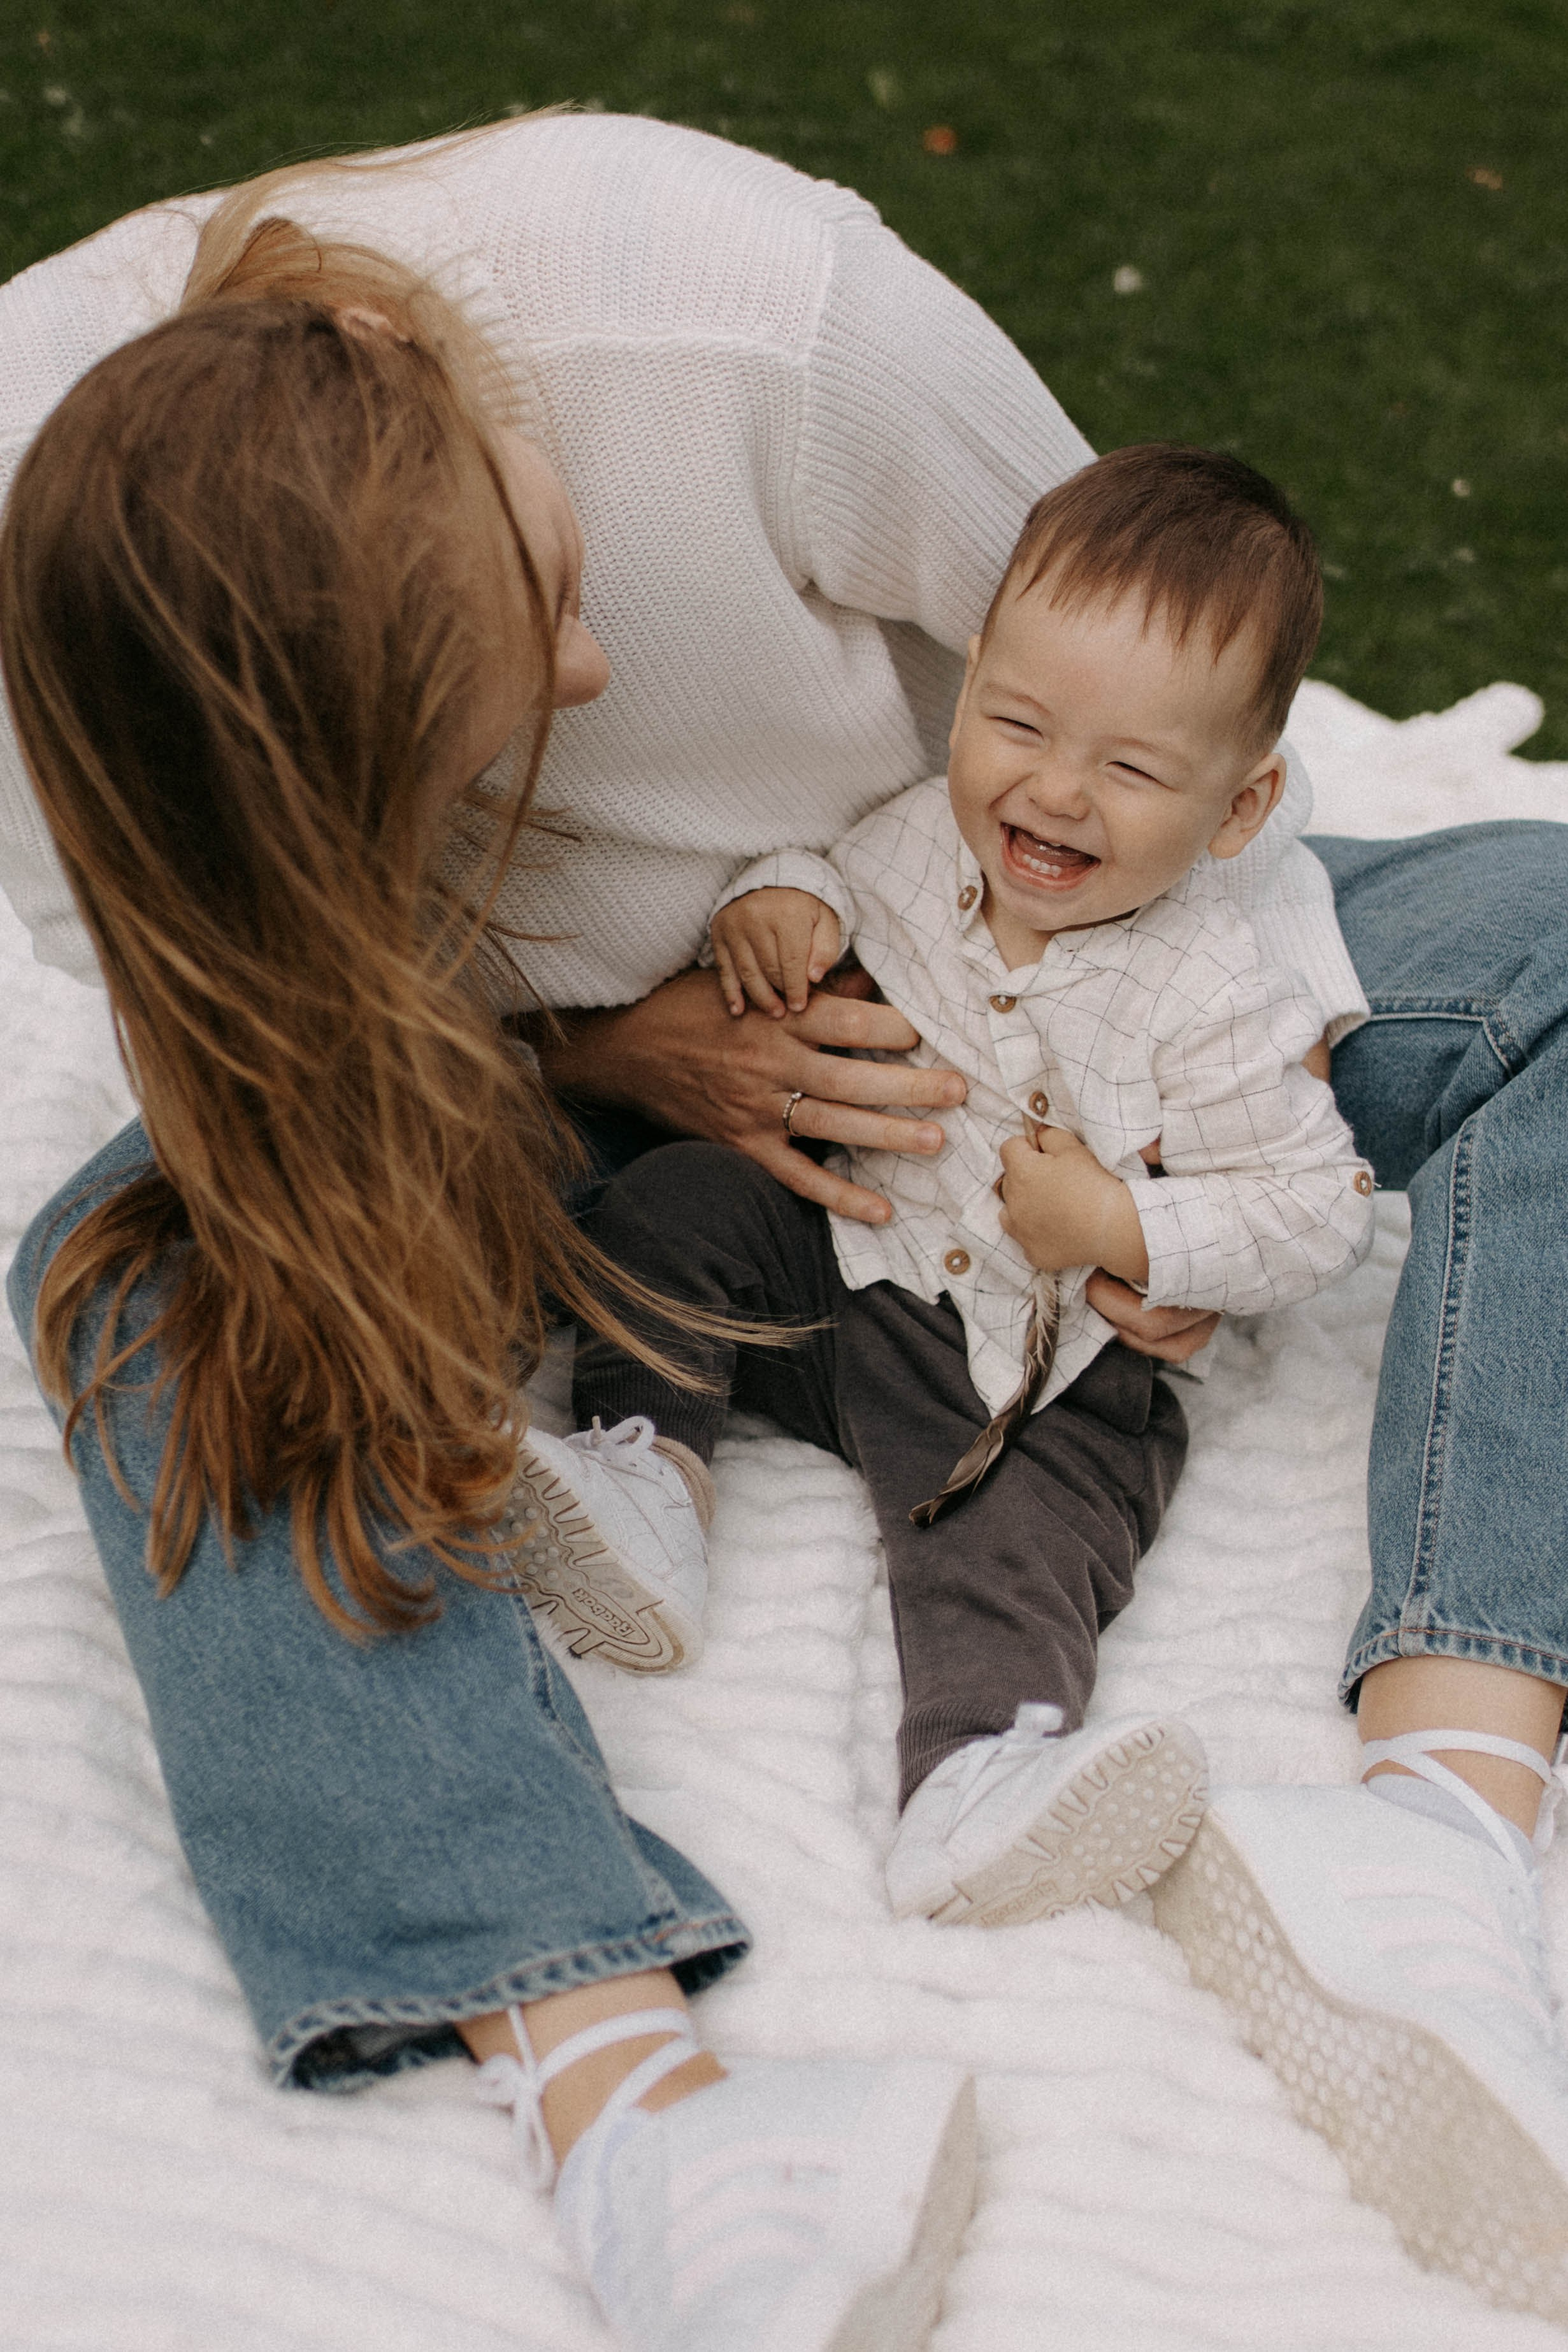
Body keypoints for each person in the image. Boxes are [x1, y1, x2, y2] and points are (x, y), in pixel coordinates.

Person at [2, 108, 1567, 2331]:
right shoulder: (50, 677)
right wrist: (603, 1053)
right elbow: (280, 1079)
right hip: (569, 1065)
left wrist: (1171, 1171)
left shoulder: (764, 328)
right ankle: (625, 2096)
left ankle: (1438, 1810)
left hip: (1003, 976)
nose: (585, 686)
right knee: (141, 1274)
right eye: (474, 753)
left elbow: (1132, 717)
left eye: (548, 593)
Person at [508, 444, 1376, 1934]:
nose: (1052, 787)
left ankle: (975, 1781)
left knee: (1009, 1546)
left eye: (1131, 768)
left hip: (1036, 1366)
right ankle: (647, 1475)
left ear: (1238, 812)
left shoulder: (1223, 989)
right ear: (968, 683)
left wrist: (1123, 1228)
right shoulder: (926, 833)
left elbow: (1315, 1208)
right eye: (1017, 722)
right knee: (682, 1207)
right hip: (849, 1266)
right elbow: (831, 863)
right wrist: (778, 902)